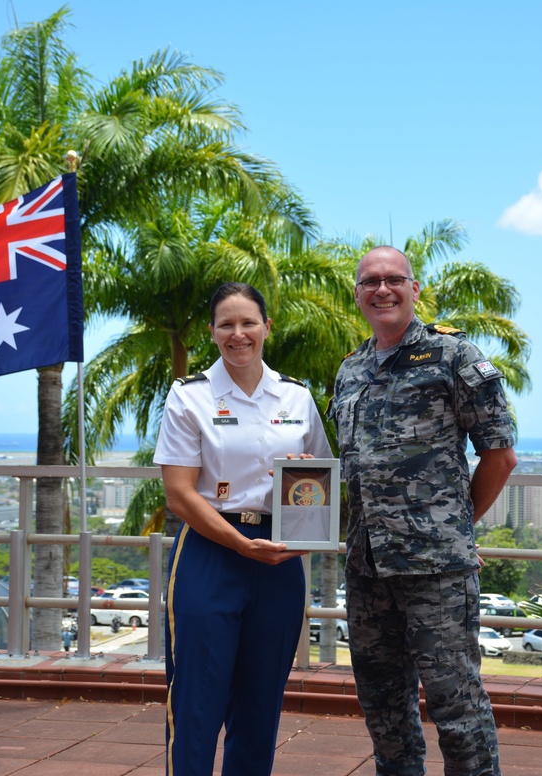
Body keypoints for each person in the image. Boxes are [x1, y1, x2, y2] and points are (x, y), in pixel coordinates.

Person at [329, 246, 517, 776]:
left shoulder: (453, 356)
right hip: (368, 568)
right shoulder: (350, 371)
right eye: (370, 282)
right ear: (358, 294)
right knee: (383, 706)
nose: (382, 290)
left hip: (436, 568)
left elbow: (499, 456)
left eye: (394, 280)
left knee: (456, 707)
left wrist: (456, 530)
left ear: (414, 289)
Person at [154, 281, 332, 775]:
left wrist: (303, 511)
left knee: (260, 706)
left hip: (278, 557)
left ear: (266, 327)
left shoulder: (296, 397)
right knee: (196, 701)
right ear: (212, 333)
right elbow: (180, 494)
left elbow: (319, 478)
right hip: (210, 553)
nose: (238, 334)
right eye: (226, 324)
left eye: (248, 322)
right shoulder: (190, 397)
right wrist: (237, 542)